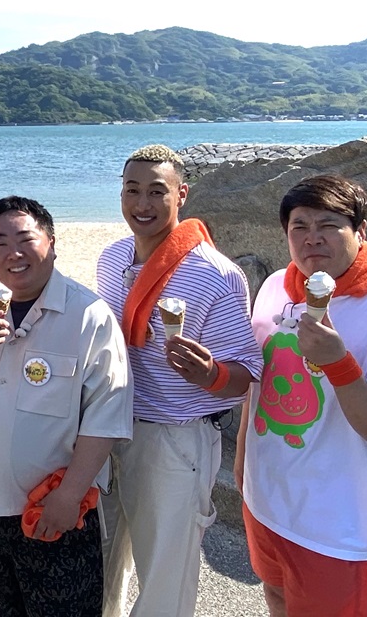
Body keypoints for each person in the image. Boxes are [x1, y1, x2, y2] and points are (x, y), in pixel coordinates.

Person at [236, 174, 367, 616]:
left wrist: (339, 363)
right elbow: (259, 386)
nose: (312, 238)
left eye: (329, 225)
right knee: (276, 596)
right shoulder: (274, 289)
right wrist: (243, 457)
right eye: (299, 226)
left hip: (335, 524)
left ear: (360, 232)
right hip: (266, 500)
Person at [0, 196, 132, 617]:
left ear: (52, 243)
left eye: (26, 239)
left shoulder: (88, 315)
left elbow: (107, 414)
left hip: (54, 512)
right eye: (0, 243)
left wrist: (69, 495)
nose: (14, 253)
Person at [96, 144, 264, 616]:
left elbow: (245, 374)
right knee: (95, 568)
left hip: (173, 440)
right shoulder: (111, 259)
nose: (142, 204)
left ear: (182, 194)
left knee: (164, 584)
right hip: (106, 428)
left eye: (157, 191)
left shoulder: (216, 274)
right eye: (132, 190)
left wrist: (210, 373)